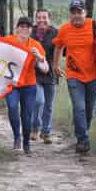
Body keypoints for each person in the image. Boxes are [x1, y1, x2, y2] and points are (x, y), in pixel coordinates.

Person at [52, 0, 96, 153]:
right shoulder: (64, 29)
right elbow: (58, 47)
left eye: (79, 12)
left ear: (85, 13)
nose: (76, 15)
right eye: (73, 12)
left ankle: (82, 132)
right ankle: (83, 140)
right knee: (79, 107)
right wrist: (55, 65)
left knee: (90, 109)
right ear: (70, 14)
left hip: (95, 75)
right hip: (74, 75)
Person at [5, 17, 49, 156]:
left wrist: (40, 58)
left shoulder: (35, 45)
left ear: (31, 30)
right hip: (12, 84)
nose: (24, 29)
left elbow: (45, 69)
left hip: (29, 85)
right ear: (16, 28)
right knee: (12, 107)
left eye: (28, 27)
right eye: (21, 26)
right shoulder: (7, 41)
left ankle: (26, 143)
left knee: (27, 114)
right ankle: (17, 138)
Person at [30, 9, 59, 144]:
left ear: (49, 19)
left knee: (48, 105)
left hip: (50, 73)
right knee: (38, 101)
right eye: (39, 17)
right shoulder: (31, 32)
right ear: (36, 19)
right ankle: (34, 128)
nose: (42, 20)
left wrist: (57, 66)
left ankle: (46, 132)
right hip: (34, 73)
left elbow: (60, 50)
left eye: (44, 17)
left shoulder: (55, 33)